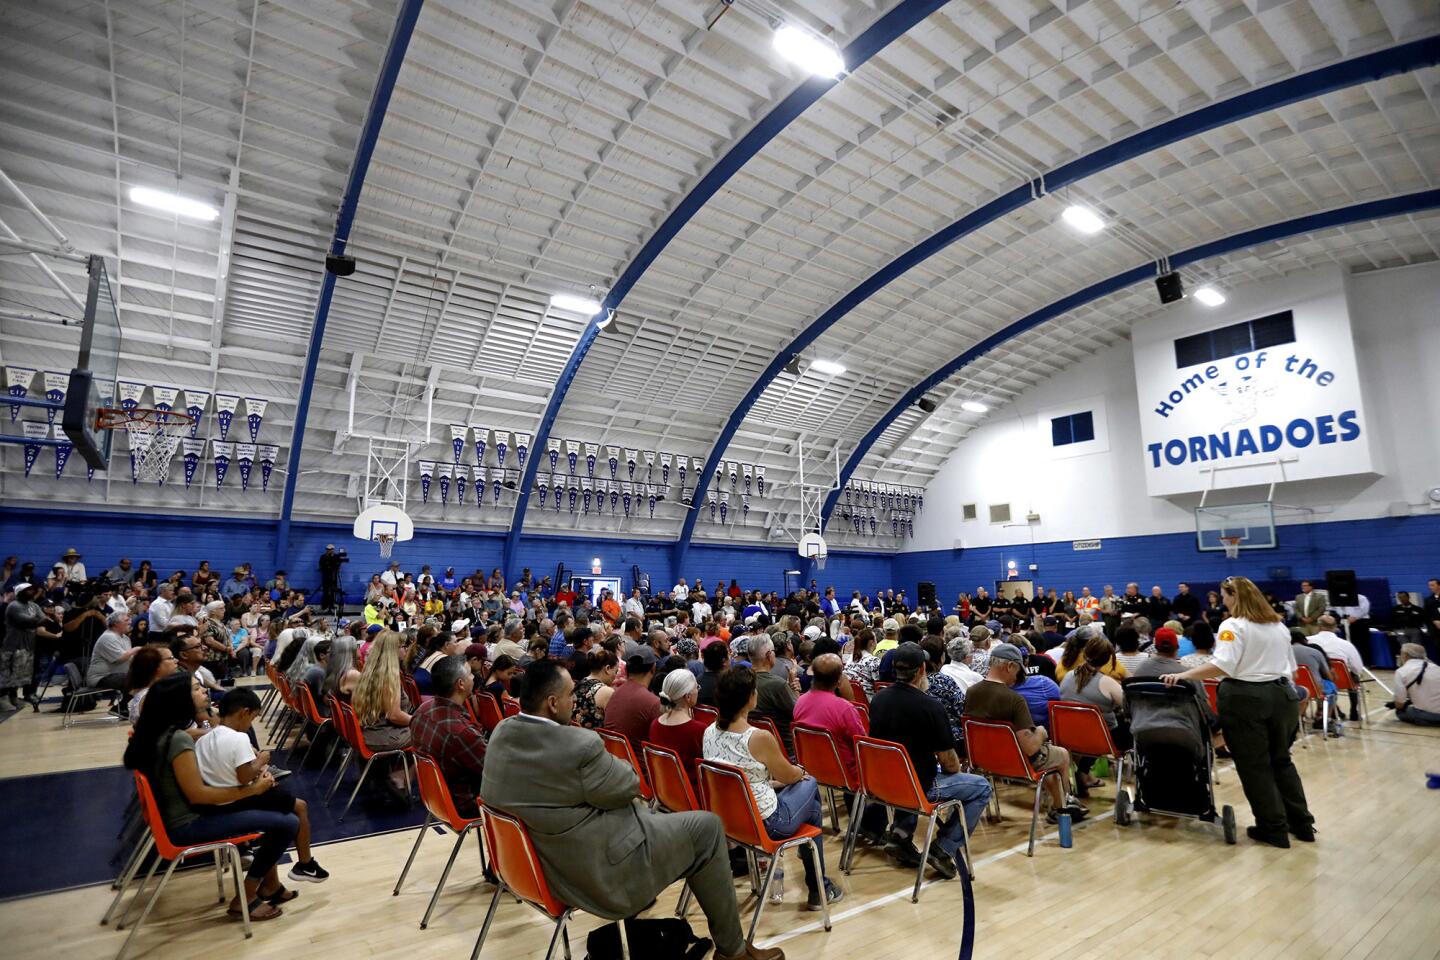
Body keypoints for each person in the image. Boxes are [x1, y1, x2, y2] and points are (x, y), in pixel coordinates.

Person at [481, 660, 784, 960]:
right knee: (708, 828)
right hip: (597, 872)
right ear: (552, 702)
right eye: (571, 694)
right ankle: (732, 951)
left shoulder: (502, 733)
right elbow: (628, 783)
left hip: (531, 869)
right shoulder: (577, 744)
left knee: (686, 824)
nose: (575, 700)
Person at [123, 673, 299, 921]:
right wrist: (252, 789)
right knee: (288, 822)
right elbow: (198, 796)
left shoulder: (159, 733)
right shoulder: (178, 739)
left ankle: (270, 886)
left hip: (175, 818)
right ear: (180, 700)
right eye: (197, 688)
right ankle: (246, 897)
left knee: (274, 811)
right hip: (188, 824)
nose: (204, 691)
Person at [1161, 576, 1314, 847]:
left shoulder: (1232, 626)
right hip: (1282, 695)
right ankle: (1302, 823)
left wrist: (1186, 675)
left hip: (1247, 696)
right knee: (1281, 760)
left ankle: (1273, 826)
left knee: (1254, 765)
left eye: (1225, 596)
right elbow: (1290, 669)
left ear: (1235, 597)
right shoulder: (1278, 625)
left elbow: (1224, 665)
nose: (1223, 601)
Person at [703, 666, 843, 911]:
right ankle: (817, 885)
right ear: (750, 697)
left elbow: (746, 777)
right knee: (809, 784)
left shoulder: (709, 732)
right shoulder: (758, 737)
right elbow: (789, 776)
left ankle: (818, 883)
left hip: (731, 819)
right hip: (768, 822)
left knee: (811, 809)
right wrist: (801, 771)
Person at [864, 642, 991, 877]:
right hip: (918, 787)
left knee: (910, 771)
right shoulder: (931, 706)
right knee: (981, 787)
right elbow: (951, 764)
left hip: (882, 782)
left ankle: (901, 835)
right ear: (922, 669)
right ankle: (943, 848)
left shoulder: (879, 699)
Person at [195, 688, 329, 882]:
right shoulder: (239, 737)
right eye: (253, 718)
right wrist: (261, 760)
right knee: (300, 806)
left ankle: (279, 878)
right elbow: (244, 776)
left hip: (218, 797)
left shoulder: (204, 739)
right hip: (238, 797)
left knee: (284, 803)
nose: (251, 723)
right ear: (244, 712)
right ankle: (305, 864)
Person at [964, 643, 1085, 823]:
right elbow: (1030, 747)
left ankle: (1059, 804)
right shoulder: (1014, 699)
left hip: (985, 760)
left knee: (1049, 760)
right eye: (1018, 670)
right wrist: (1042, 733)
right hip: (1017, 763)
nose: (1019, 676)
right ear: (1009, 666)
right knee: (1061, 754)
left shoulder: (971, 692)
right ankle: (1063, 807)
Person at [410, 654, 488, 814]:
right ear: (460, 684)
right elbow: (495, 773)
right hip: (467, 803)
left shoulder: (422, 710)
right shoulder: (461, 733)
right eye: (470, 674)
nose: (474, 677)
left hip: (436, 797)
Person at [1057, 635, 1129, 796]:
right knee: (1129, 728)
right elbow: (1129, 707)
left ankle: (1084, 773)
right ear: (1107, 659)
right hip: (1100, 739)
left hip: (1069, 735)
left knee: (1095, 729)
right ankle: (1084, 773)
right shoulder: (1107, 683)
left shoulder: (1067, 677)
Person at [792, 653, 865, 791]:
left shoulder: (800, 702)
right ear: (839, 680)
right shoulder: (845, 708)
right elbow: (862, 745)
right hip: (846, 773)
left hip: (812, 768)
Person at [351, 630, 413, 791]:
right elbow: (394, 715)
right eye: (403, 646)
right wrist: (417, 721)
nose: (406, 650)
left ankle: (396, 772)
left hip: (370, 730)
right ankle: (400, 778)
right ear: (394, 650)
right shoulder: (389, 676)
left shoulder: (370, 670)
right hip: (383, 736)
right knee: (429, 734)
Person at [649, 668, 709, 790]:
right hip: (694, 794)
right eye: (696, 688)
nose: (698, 691)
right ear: (688, 696)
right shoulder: (699, 730)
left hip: (666, 790)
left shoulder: (655, 725)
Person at [605, 648, 662, 756]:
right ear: (653, 669)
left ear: (626, 670)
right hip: (639, 769)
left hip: (614, 761)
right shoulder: (653, 702)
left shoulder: (615, 693)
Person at [1308, 615, 1365, 721]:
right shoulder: (1346, 645)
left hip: (1315, 682)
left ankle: (1333, 709)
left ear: (1318, 626)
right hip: (1342, 680)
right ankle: (1354, 711)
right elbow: (1358, 668)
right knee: (1354, 675)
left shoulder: (1308, 641)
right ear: (1335, 628)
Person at [748, 634, 797, 755]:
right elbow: (799, 715)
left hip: (752, 747)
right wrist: (795, 689)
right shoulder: (777, 685)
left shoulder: (740, 680)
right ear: (769, 655)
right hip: (784, 750)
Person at [126, 644, 179, 722]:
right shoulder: (152, 697)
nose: (176, 660)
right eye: (171, 658)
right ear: (156, 665)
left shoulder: (156, 691)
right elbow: (168, 731)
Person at [1390, 642, 1440, 726]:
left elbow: (1399, 704)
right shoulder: (1437, 668)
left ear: (1405, 655)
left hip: (1429, 715)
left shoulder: (1402, 671)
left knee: (1400, 711)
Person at [571, 648, 618, 729]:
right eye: (616, 671)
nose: (615, 676)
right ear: (607, 669)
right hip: (593, 739)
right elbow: (614, 726)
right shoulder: (607, 691)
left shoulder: (579, 683)